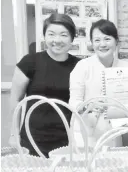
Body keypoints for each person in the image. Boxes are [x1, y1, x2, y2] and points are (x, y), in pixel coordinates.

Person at [9, 13, 80, 157]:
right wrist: (13, 133)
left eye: (64, 35)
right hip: (32, 138)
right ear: (44, 36)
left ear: (72, 38)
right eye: (51, 34)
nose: (57, 40)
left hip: (68, 140)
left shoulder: (80, 66)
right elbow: (15, 100)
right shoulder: (29, 62)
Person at [69, 19, 128, 147]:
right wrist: (88, 106)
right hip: (85, 134)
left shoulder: (125, 67)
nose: (102, 44)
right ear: (92, 43)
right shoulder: (82, 67)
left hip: (113, 133)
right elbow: (73, 102)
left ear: (116, 41)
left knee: (114, 165)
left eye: (107, 39)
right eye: (97, 40)